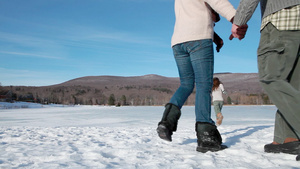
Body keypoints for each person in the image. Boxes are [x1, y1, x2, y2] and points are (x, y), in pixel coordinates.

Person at [156, 0, 236, 153]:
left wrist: (215, 37)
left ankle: (166, 122)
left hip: (178, 43)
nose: (214, 20)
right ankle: (206, 135)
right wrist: (237, 19)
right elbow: (218, 2)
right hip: (198, 41)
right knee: (204, 85)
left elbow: (193, 18)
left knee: (186, 84)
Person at [230, 0, 300, 160]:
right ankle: (288, 138)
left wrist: (238, 21)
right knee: (292, 83)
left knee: (271, 77)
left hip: (281, 19)